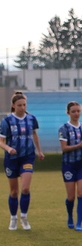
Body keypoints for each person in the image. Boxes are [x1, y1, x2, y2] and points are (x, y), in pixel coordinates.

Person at [1, 91, 45, 231]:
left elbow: (34, 135)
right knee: (14, 191)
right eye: (19, 105)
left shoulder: (31, 119)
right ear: (13, 105)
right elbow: (1, 141)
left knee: (25, 188)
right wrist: (8, 149)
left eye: (24, 105)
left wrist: (39, 150)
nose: (22, 107)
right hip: (12, 158)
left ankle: (24, 217)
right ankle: (13, 218)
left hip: (27, 157)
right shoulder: (7, 121)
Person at [59, 102, 82, 231]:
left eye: (78, 111)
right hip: (68, 164)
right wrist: (79, 145)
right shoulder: (63, 129)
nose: (76, 114)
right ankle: (70, 216)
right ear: (68, 112)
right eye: (73, 111)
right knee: (71, 196)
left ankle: (79, 223)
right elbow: (64, 148)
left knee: (81, 192)